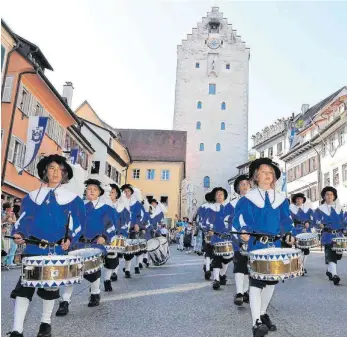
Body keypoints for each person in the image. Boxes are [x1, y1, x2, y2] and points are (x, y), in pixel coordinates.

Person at [9, 154, 85, 337]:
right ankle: (16, 330)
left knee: (50, 289)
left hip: (57, 250)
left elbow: (80, 223)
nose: (56, 172)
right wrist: (18, 234)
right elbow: (22, 220)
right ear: (45, 171)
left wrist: (70, 239)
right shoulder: (32, 197)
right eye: (52, 168)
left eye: (60, 169)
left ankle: (45, 323)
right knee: (24, 287)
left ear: (65, 173)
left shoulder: (73, 199)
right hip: (34, 250)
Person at [233, 158, 294, 337]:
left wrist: (289, 233)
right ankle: (256, 322)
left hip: (275, 245)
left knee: (271, 283)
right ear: (255, 176)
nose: (268, 175)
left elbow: (286, 220)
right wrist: (243, 231)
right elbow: (238, 220)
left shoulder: (281, 199)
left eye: (271, 173)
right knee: (256, 282)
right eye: (264, 172)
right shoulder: (247, 199)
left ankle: (262, 312)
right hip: (256, 244)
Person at [56, 179, 117, 317]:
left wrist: (105, 237)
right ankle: (65, 301)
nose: (91, 191)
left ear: (100, 193)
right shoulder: (78, 206)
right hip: (77, 244)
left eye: (95, 189)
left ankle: (95, 293)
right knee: (71, 272)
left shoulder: (105, 208)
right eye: (89, 189)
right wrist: (67, 238)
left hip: (95, 244)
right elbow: (70, 225)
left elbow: (112, 228)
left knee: (93, 271)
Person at [202, 187, 234, 289]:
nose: (219, 195)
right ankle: (216, 279)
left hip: (228, 236)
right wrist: (209, 229)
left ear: (224, 196)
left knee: (227, 257)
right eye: (217, 194)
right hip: (216, 236)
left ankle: (222, 274)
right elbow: (206, 222)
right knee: (216, 258)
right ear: (215, 197)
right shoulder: (211, 209)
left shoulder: (229, 208)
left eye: (221, 194)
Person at [313, 186, 345, 285]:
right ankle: (335, 274)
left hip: (339, 235)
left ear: (334, 196)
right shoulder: (319, 209)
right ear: (324, 196)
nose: (329, 196)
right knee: (331, 255)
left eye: (331, 194)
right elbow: (315, 221)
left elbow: (344, 221)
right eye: (327, 194)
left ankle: (329, 270)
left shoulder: (340, 209)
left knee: (338, 256)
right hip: (327, 235)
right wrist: (319, 224)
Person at [231, 174, 251, 306]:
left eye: (246, 183)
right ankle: (239, 292)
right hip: (238, 236)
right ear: (238, 188)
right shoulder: (232, 204)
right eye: (241, 184)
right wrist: (238, 235)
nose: (244, 186)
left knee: (250, 266)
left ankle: (245, 291)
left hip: (254, 237)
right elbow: (229, 221)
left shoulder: (256, 201)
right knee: (239, 264)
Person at [109, 183, 129, 281]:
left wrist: (121, 232)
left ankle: (114, 272)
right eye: (109, 192)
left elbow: (125, 222)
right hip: (104, 235)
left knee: (115, 253)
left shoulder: (121, 207)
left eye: (112, 192)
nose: (110, 194)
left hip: (118, 234)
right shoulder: (103, 205)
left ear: (116, 194)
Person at [290, 193, 314, 274]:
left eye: (300, 198)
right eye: (297, 199)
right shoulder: (291, 209)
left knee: (306, 250)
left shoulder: (308, 209)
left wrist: (308, 223)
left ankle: (302, 266)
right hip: (297, 231)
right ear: (295, 200)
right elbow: (289, 221)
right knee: (299, 249)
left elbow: (312, 219)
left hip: (306, 231)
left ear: (303, 200)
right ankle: (300, 267)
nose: (298, 200)